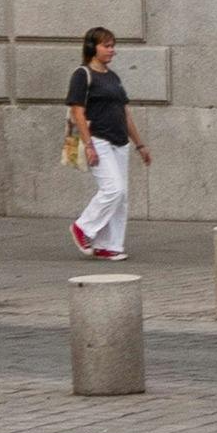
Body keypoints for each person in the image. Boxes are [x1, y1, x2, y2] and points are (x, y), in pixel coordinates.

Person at [64, 27, 146, 260]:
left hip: (120, 141)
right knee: (113, 189)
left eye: (113, 45)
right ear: (92, 47)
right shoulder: (82, 74)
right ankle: (83, 227)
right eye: (106, 46)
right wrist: (88, 145)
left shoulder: (112, 77)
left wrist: (140, 145)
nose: (112, 50)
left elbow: (125, 112)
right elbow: (78, 112)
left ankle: (109, 245)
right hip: (98, 139)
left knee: (122, 196)